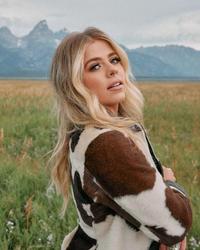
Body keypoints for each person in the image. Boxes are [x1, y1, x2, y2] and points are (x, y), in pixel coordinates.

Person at [49, 26, 192, 250]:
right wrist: (171, 185)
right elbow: (176, 224)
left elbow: (131, 206)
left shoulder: (97, 133)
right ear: (75, 84)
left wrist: (161, 231)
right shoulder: (104, 144)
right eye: (95, 66)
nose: (112, 71)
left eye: (114, 60)